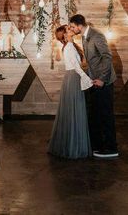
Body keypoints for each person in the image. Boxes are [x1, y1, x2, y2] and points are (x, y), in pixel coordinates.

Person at [70, 14, 118, 158]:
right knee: (96, 115)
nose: (72, 29)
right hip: (95, 81)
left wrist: (102, 79)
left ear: (79, 25)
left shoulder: (97, 35)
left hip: (105, 82)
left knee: (106, 115)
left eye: (73, 27)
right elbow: (92, 61)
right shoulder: (84, 37)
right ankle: (99, 145)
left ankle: (111, 148)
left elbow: (107, 57)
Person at [47, 25, 93, 159]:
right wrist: (88, 80)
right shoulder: (69, 48)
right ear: (65, 35)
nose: (71, 29)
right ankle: (74, 147)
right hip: (73, 78)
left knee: (74, 111)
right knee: (75, 111)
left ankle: (73, 145)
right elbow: (77, 67)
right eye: (68, 29)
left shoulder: (71, 46)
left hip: (72, 78)